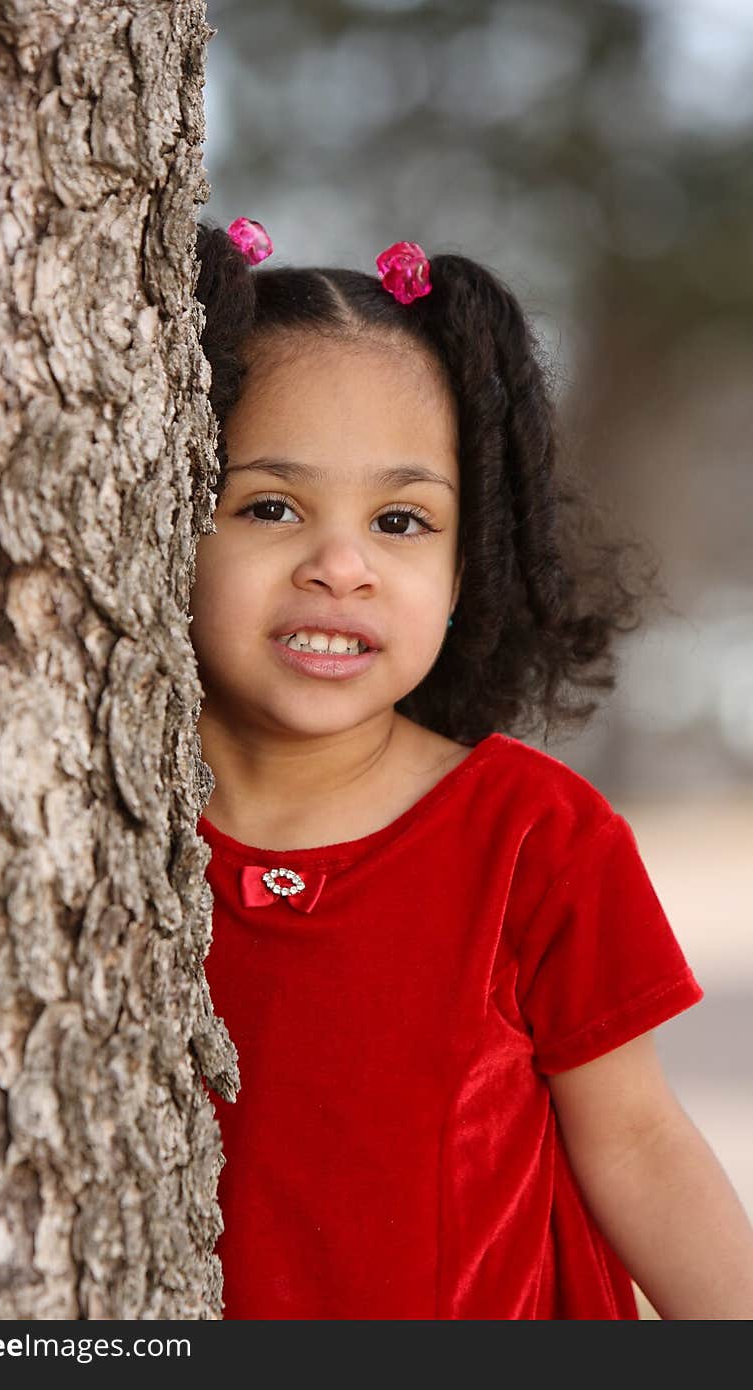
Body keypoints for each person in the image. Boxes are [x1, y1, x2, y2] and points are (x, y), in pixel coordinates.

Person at [187, 215, 753, 1320]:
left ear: (466, 565)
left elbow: (636, 1141)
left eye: (400, 520)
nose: (340, 566)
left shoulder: (534, 836)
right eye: (269, 506)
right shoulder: (98, 829)